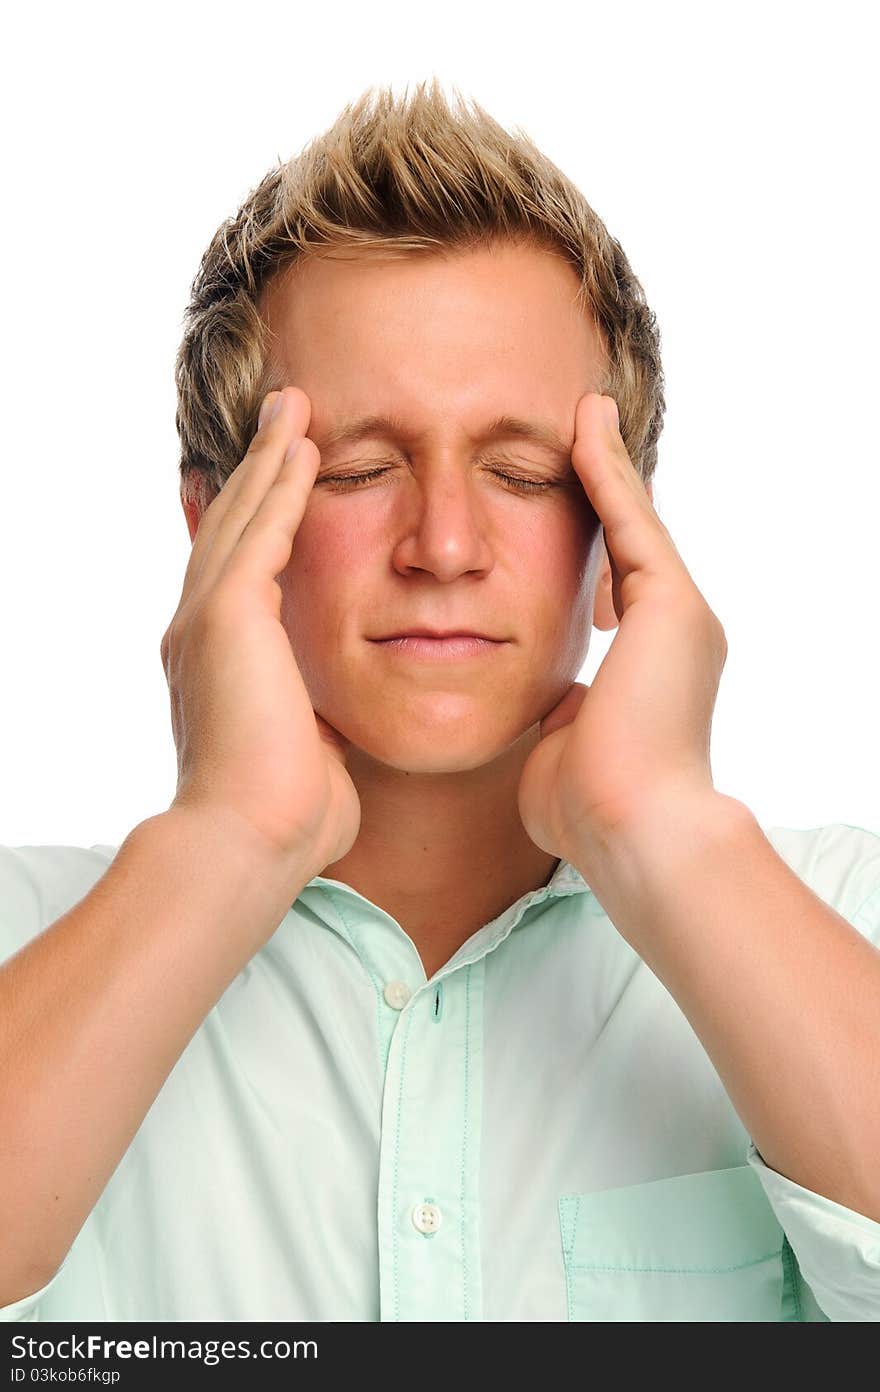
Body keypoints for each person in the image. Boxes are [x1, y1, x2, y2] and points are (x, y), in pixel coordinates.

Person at [1, 80, 879, 1325]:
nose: (445, 544)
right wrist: (222, 842)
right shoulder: (27, 941)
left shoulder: (840, 920)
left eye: (520, 471)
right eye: (360, 468)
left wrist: (668, 835)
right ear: (217, 530)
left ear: (618, 532)